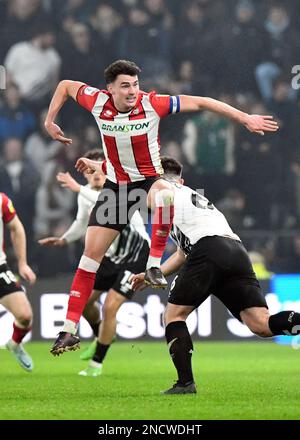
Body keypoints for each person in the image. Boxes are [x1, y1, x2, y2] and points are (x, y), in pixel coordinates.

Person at [44, 59, 279, 355]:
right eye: (125, 86)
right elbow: (65, 85)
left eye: (135, 85)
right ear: (110, 89)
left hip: (148, 181)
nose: (132, 91)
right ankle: (68, 329)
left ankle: (154, 265)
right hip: (117, 188)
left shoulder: (154, 104)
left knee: (166, 196)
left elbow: (203, 102)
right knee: (90, 257)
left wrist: (244, 117)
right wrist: (49, 121)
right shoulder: (96, 101)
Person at [131, 157, 300, 395]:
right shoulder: (191, 196)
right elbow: (181, 254)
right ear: (180, 179)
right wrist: (150, 275)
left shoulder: (160, 192)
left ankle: (185, 383)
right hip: (235, 250)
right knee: (260, 324)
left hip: (208, 249)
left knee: (174, 315)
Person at [39, 150, 150, 375]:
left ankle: (96, 363)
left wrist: (78, 188)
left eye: (99, 170)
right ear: (86, 175)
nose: (96, 176)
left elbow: (108, 204)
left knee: (110, 306)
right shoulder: (85, 194)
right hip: (108, 256)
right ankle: (102, 334)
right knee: (86, 303)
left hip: (135, 255)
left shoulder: (121, 189)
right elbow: (81, 223)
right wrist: (64, 239)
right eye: (90, 172)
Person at [0, 192, 36, 372]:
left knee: (25, 316)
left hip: (0, 268)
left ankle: (14, 344)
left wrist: (22, 263)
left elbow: (16, 228)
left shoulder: (2, 200)